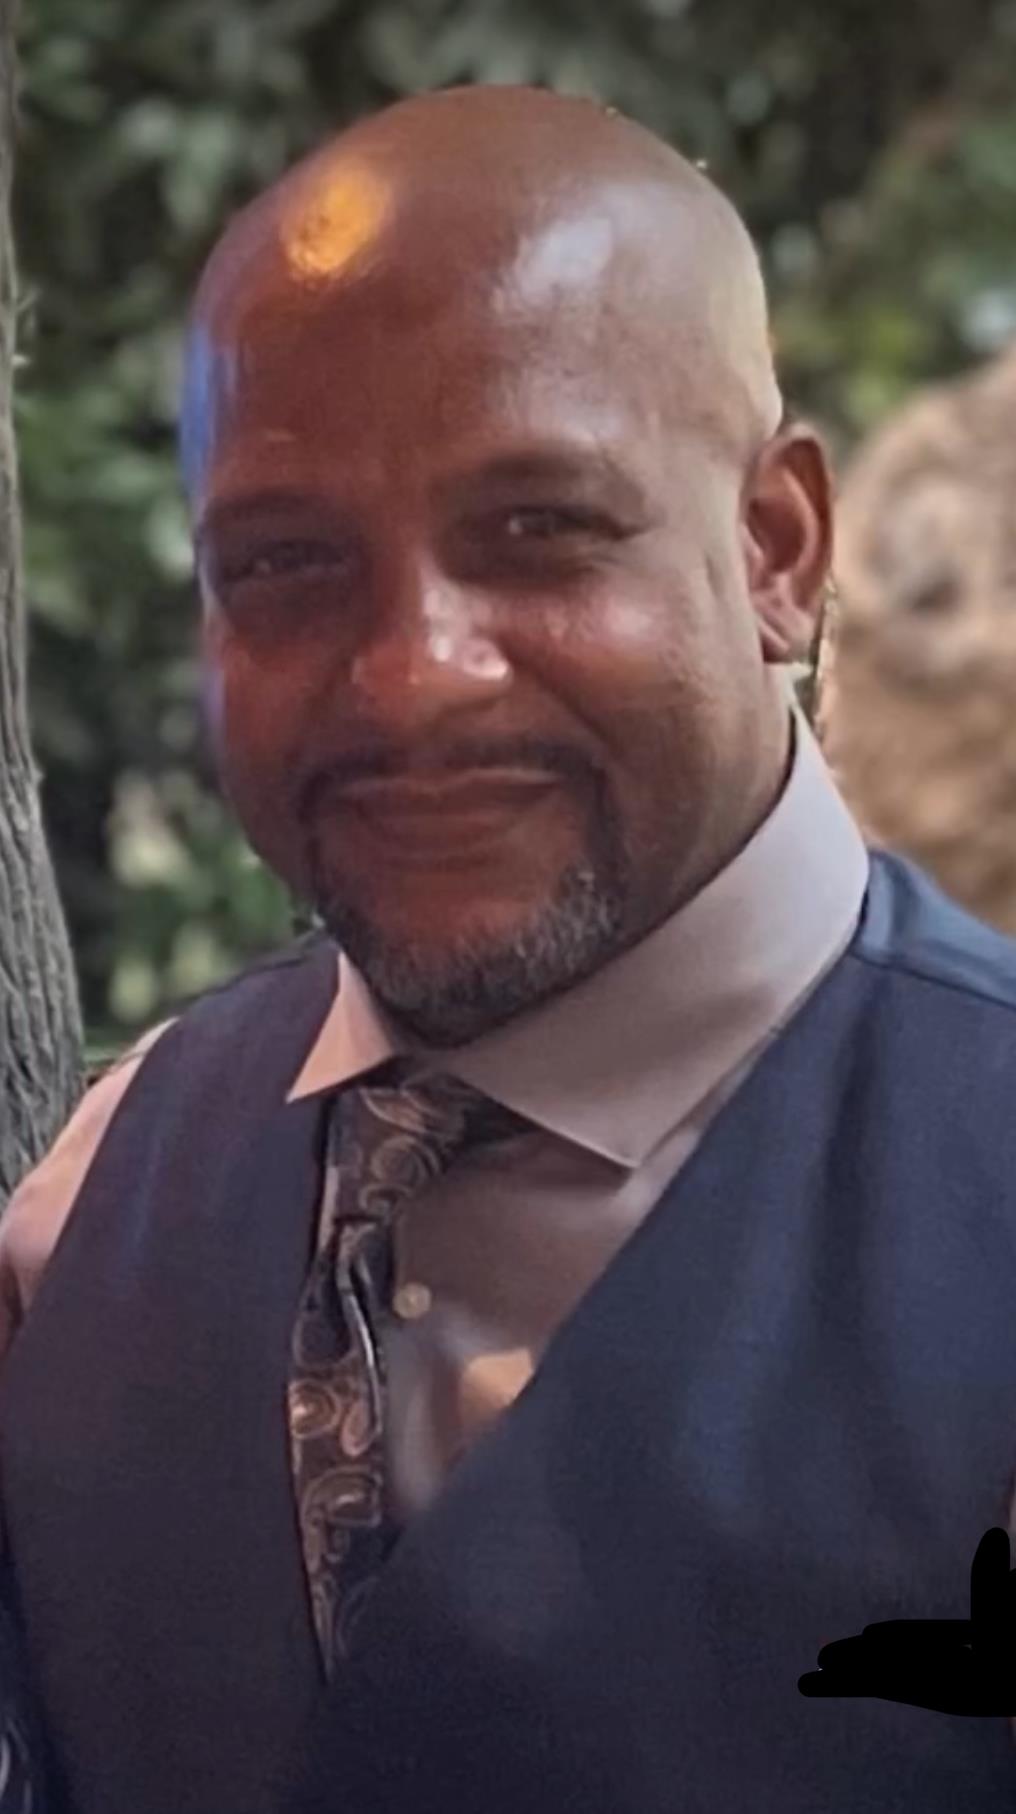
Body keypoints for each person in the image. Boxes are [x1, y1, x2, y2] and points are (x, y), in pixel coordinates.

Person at [2, 82, 1016, 1814]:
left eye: (538, 529)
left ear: (776, 548)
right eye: (288, 562)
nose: (412, 677)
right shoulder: (94, 1194)